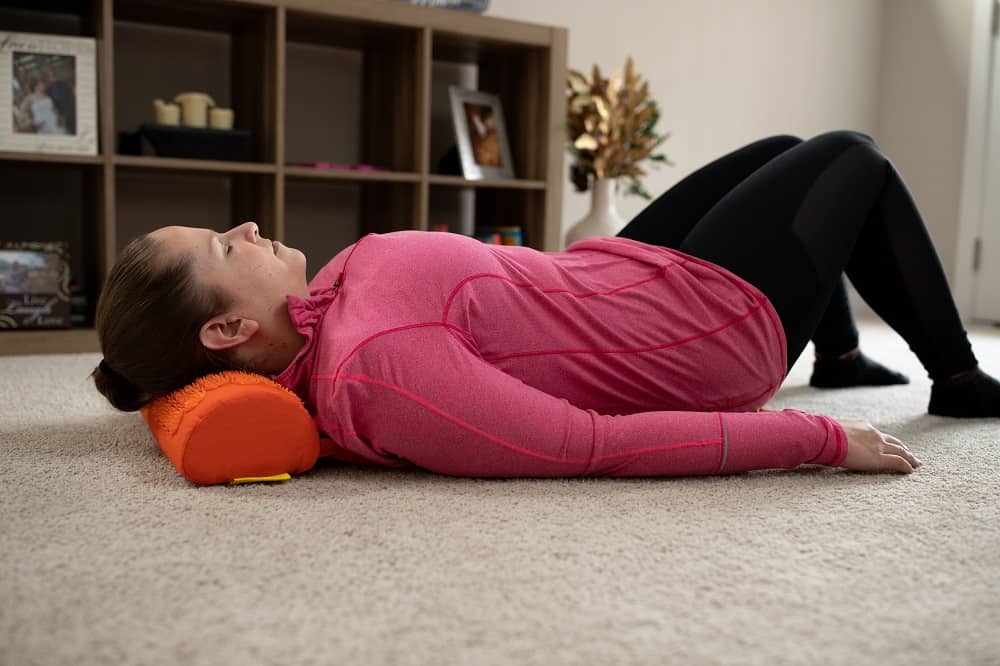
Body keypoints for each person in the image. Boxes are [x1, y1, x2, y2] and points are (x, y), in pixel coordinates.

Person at [93, 131, 1000, 479]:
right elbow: (586, 446)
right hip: (699, 332)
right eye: (224, 246)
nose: (247, 226)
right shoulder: (383, 366)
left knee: (786, 148)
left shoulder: (332, 303)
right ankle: (956, 375)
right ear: (227, 331)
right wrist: (821, 441)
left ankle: (841, 356)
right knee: (853, 160)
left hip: (619, 274)